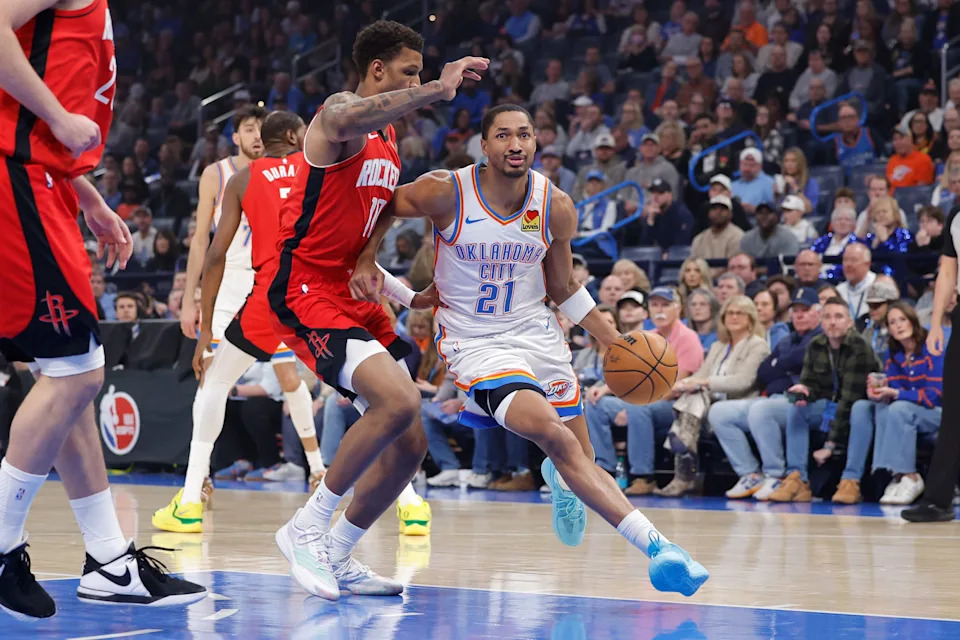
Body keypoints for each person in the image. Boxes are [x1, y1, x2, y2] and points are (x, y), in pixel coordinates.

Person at [351, 103, 708, 596]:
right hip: (476, 342)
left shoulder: (555, 204)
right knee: (553, 436)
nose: (515, 144)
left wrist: (613, 341)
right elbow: (385, 203)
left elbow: (561, 286)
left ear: (536, 143)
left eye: (525, 134)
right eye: (503, 135)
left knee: (582, 456)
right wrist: (368, 257)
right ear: (485, 144)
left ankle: (563, 480)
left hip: (538, 334)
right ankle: (662, 549)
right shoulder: (445, 190)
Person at [261, 22, 489, 600]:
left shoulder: (387, 140)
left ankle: (338, 554)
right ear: (378, 70)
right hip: (304, 289)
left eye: (421, 73)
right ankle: (305, 529)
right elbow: (341, 119)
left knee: (410, 443)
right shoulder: (337, 117)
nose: (416, 81)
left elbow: (376, 213)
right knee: (399, 398)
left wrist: (403, 290)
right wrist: (437, 88)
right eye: (408, 71)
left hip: (352, 294)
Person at [0, 0, 205, 619]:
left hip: (45, 180)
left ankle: (110, 562)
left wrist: (83, 191)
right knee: (77, 375)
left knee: (68, 374)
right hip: (19, 178)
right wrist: (61, 120)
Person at [177, 104, 266, 503]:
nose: (257, 136)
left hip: (267, 281)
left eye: (262, 129)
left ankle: (318, 468)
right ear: (236, 136)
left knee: (289, 376)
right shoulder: (217, 174)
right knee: (211, 376)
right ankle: (201, 477)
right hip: (227, 281)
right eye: (249, 129)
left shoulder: (283, 170)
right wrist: (188, 299)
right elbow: (201, 241)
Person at [587, 287, 704, 496]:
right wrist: (605, 388)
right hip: (644, 398)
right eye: (655, 305)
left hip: (675, 405)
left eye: (665, 305)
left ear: (678, 308)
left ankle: (644, 476)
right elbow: (628, 374)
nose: (660, 310)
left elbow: (674, 387)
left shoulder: (688, 338)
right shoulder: (647, 337)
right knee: (597, 405)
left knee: (638, 410)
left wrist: (632, 403)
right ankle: (604, 470)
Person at [711, 287, 822, 499]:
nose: (799, 315)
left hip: (807, 402)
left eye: (805, 310)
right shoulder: (787, 340)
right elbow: (765, 371)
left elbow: (798, 362)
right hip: (776, 397)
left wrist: (781, 364)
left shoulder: (820, 338)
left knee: (762, 409)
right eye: (795, 310)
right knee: (719, 412)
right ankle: (750, 473)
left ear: (818, 312)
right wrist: (785, 366)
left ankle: (776, 475)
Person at [655, 295, 770, 496]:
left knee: (694, 399)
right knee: (691, 396)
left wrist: (704, 382)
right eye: (729, 313)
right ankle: (684, 448)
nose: (733, 317)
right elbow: (701, 374)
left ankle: (683, 463)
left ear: (750, 318)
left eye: (739, 313)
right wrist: (682, 385)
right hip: (709, 402)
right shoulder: (719, 346)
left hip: (739, 402)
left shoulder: (758, 345)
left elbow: (743, 382)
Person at [768, 297, 878, 502]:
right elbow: (813, 384)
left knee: (860, 408)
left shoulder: (859, 347)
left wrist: (830, 445)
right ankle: (797, 478)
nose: (832, 322)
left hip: (860, 407)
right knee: (798, 406)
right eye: (827, 317)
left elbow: (848, 400)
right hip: (830, 405)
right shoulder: (816, 344)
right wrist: (804, 390)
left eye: (838, 317)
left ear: (849, 322)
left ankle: (851, 480)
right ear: (821, 320)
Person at [833, 302, 944, 505]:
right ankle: (851, 478)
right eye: (892, 322)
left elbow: (933, 396)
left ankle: (908, 475)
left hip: (937, 413)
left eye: (902, 320)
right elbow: (893, 392)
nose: (898, 326)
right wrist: (880, 394)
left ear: (913, 321)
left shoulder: (932, 347)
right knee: (861, 407)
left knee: (899, 408)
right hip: (905, 409)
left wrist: (896, 393)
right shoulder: (893, 355)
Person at [902, 200, 960, 522]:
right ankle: (938, 499)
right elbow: (949, 271)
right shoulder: (956, 214)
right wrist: (937, 322)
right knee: (953, 411)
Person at [690, 196, 745, 260]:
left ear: (730, 214)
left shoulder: (738, 236)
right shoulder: (699, 239)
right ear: (709, 213)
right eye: (714, 209)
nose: (718, 212)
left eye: (723, 209)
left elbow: (734, 266)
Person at [835, 243, 877, 326]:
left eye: (854, 260)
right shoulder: (838, 291)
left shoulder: (878, 284)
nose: (848, 265)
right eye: (845, 260)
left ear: (867, 264)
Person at [687, 287, 720, 354]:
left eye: (703, 304)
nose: (697, 308)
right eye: (693, 304)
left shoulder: (720, 336)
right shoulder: (684, 332)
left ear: (713, 307)